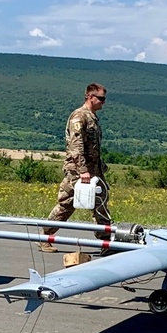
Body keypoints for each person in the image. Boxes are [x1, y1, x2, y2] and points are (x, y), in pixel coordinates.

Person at [38, 82, 112, 252]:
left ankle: (106, 243)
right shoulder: (79, 117)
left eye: (104, 98)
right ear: (90, 97)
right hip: (79, 172)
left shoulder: (92, 117)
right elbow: (75, 146)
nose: (103, 102)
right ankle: (44, 236)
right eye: (100, 98)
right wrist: (83, 170)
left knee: (100, 204)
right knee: (67, 204)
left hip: (94, 171)